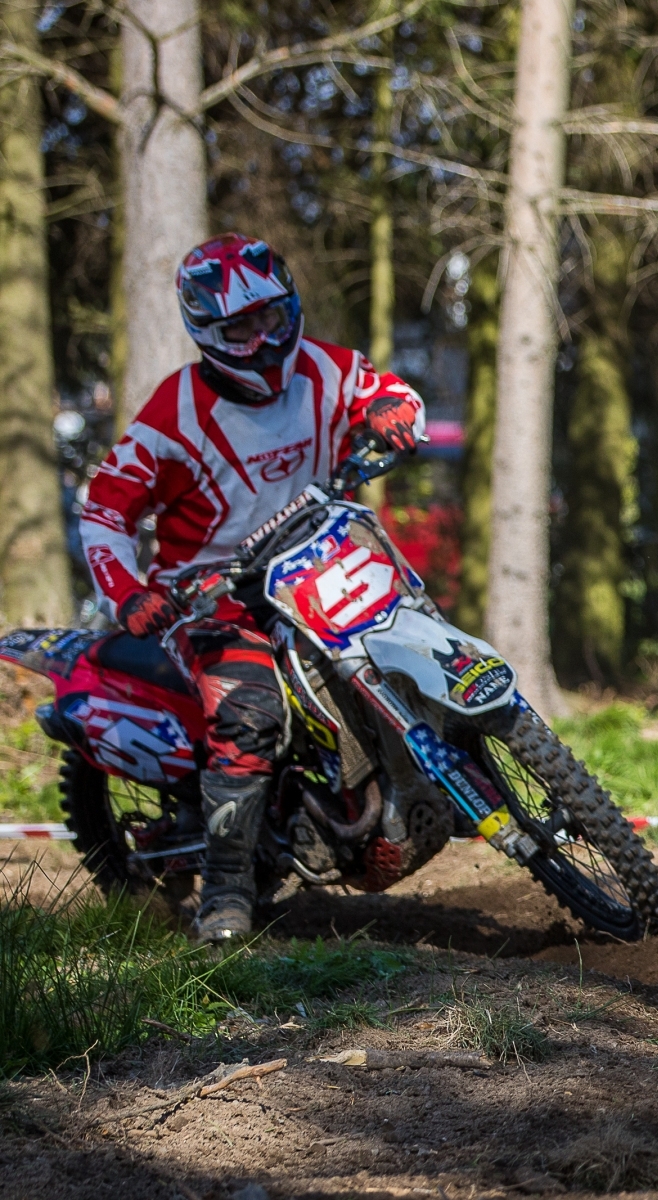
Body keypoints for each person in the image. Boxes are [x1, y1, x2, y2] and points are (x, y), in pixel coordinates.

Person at [79, 233, 424, 943]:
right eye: (241, 329)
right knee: (252, 714)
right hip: (213, 598)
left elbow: (389, 392)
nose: (263, 338)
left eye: (270, 316)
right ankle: (227, 893)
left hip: (321, 568)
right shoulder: (172, 413)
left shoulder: (325, 366)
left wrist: (395, 414)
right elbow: (104, 510)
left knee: (413, 636)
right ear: (206, 330)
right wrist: (129, 594)